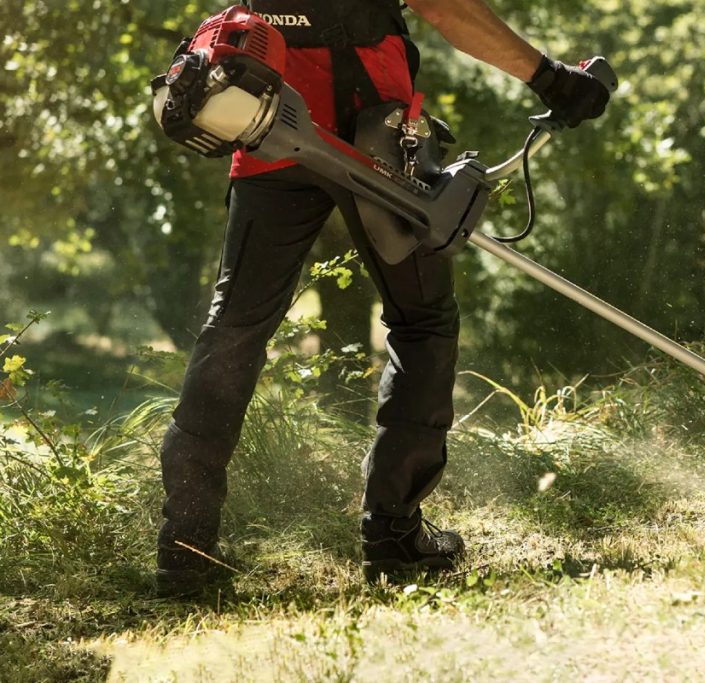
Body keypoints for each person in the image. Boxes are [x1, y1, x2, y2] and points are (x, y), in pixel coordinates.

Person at [155, 0, 609, 596]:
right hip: (377, 136)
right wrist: (551, 79)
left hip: (261, 117)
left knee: (235, 329)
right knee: (422, 321)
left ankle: (186, 550)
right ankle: (393, 538)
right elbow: (448, 9)